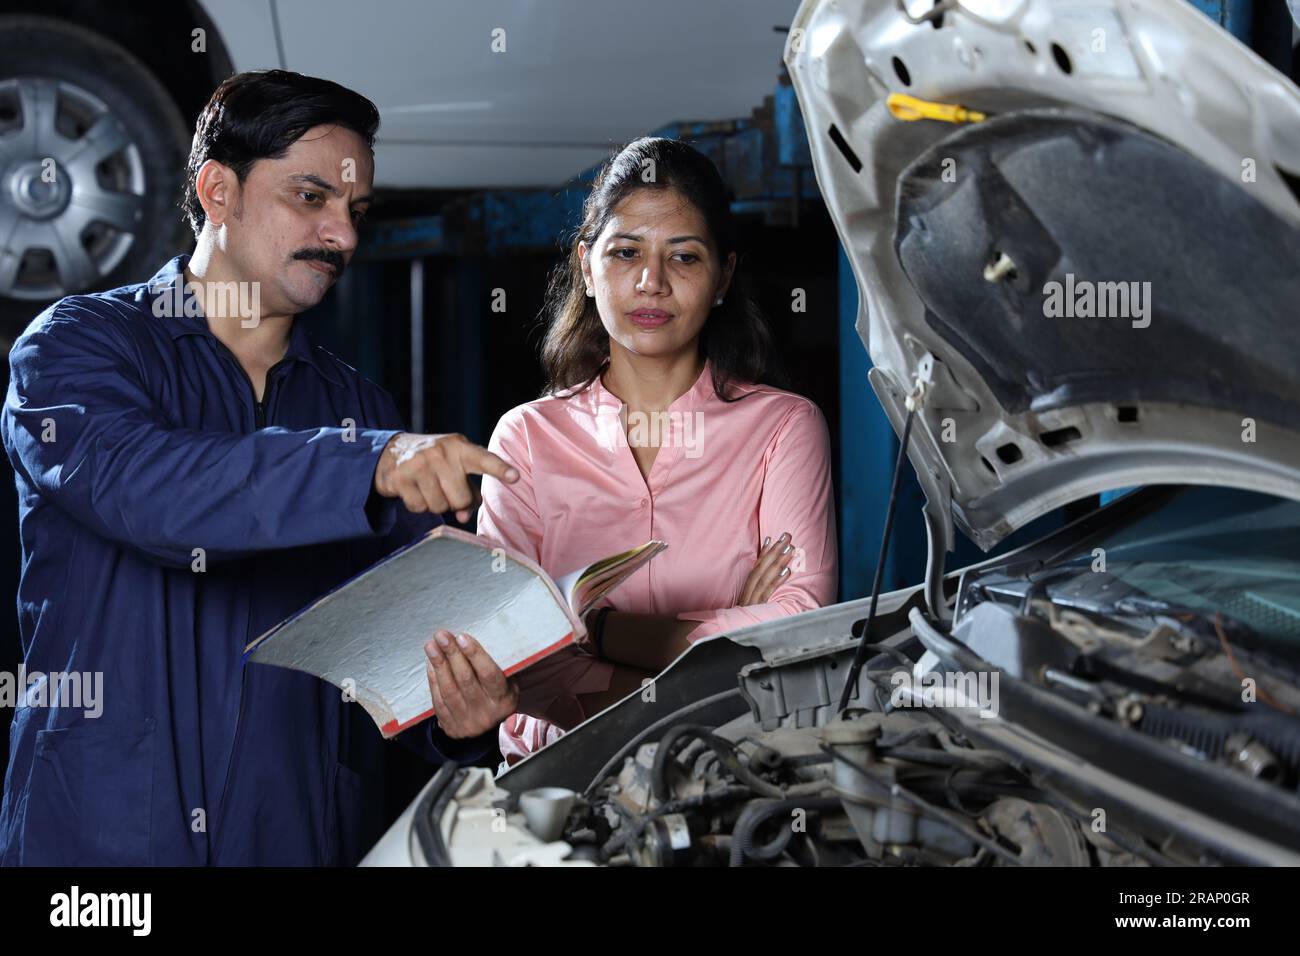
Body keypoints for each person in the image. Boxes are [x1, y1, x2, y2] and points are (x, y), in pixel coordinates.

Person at [0, 70, 519, 866]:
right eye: (311, 198)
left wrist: (462, 721)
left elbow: (394, 653)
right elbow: (151, 492)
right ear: (217, 191)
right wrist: (367, 464)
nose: (342, 236)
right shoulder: (76, 348)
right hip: (100, 844)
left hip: (292, 837)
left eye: (356, 211)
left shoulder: (359, 407)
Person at [478, 137, 838, 765]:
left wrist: (599, 630)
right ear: (587, 266)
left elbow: (800, 629)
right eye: (625, 253)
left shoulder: (784, 427)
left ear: (723, 276)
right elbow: (515, 656)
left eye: (685, 257)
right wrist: (723, 635)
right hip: (559, 782)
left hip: (734, 776)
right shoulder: (526, 440)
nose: (652, 282)